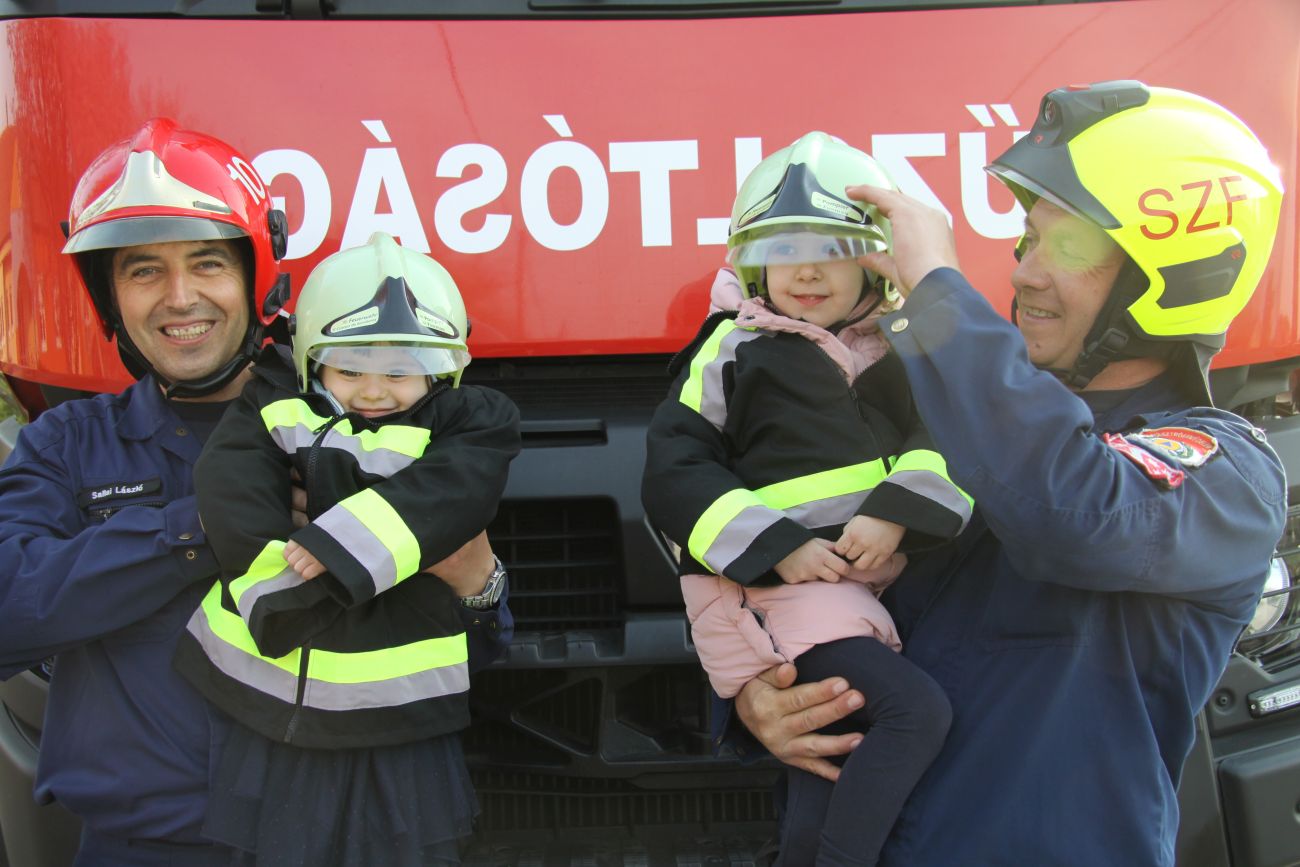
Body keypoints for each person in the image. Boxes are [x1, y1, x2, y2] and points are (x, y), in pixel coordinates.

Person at [731, 82, 1287, 866]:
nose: (1023, 273)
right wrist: (765, 698)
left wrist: (937, 294)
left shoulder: (1225, 472)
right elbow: (828, 601)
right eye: (1028, 239)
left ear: (1175, 271)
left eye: (1070, 248)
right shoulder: (979, 416)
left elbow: (1068, 507)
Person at [0, 119, 511, 866]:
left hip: (343, 837)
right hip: (148, 846)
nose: (180, 298)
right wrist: (197, 528)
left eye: (207, 263)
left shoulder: (370, 414)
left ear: (255, 274)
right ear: (111, 295)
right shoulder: (70, 442)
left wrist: (480, 585)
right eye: (143, 270)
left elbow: (478, 645)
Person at [643, 132, 970, 866]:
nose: (808, 269)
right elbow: (672, 466)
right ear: (752, 261)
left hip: (854, 597)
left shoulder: (898, 346)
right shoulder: (732, 347)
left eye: (833, 246)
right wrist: (778, 544)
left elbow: (946, 435)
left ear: (876, 259)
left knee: (830, 759)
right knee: (914, 714)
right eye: (783, 249)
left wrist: (897, 509)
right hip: (772, 593)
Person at [174, 230, 521, 866]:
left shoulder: (472, 421)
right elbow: (229, 488)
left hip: (402, 714)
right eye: (351, 368)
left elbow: (456, 492)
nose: (374, 391)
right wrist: (275, 589)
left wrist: (342, 548)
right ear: (311, 359)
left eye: (401, 370)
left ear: (446, 369)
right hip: (273, 706)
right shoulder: (276, 404)